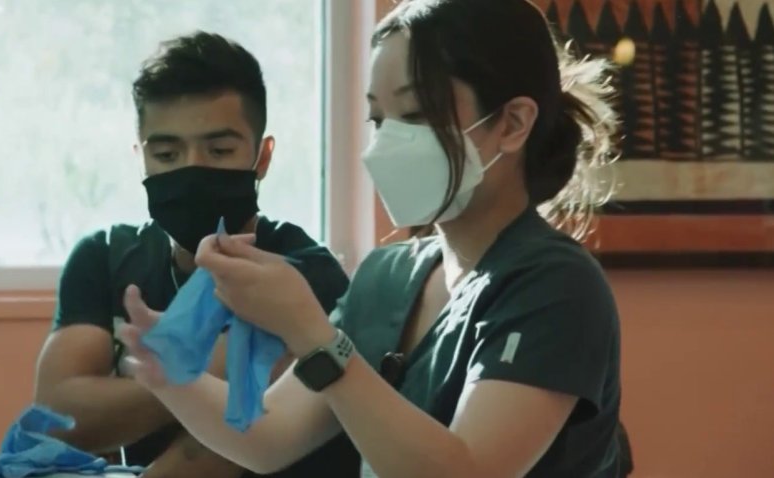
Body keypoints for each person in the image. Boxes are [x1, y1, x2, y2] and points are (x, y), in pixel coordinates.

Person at [121, 1, 623, 477]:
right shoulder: (388, 277)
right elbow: (270, 436)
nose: (387, 144)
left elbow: (467, 470)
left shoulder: (554, 286)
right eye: (379, 120)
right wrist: (171, 374)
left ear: (512, 124)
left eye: (416, 115)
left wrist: (313, 335)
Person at [33, 31, 359, 478]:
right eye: (167, 153)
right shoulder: (104, 258)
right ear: (141, 157)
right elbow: (56, 418)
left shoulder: (303, 276)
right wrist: (203, 372)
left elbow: (219, 449)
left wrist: (139, 379)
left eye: (219, 150)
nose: (192, 169)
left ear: (262, 158)